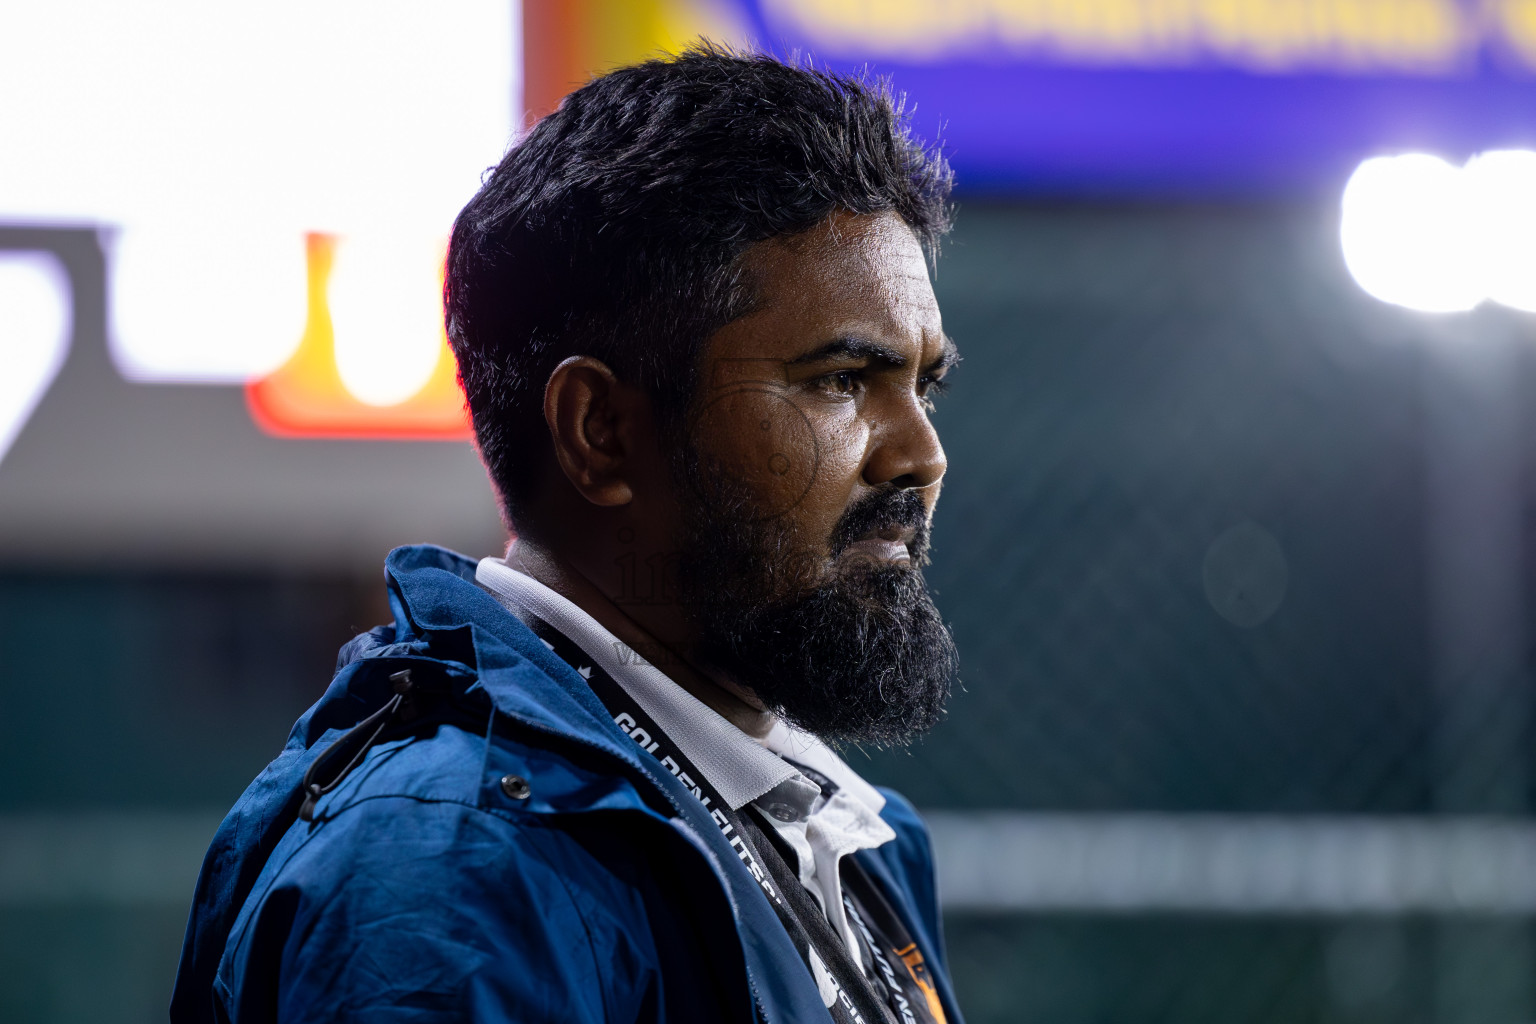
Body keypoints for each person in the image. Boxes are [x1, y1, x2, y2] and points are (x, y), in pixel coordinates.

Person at [172, 44, 963, 1024]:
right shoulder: (452, 874)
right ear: (602, 431)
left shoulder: (857, 838)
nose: (921, 455)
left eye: (922, 385)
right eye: (840, 381)